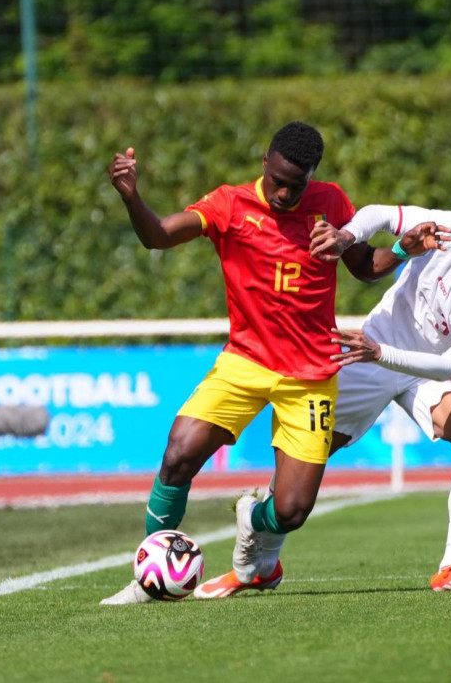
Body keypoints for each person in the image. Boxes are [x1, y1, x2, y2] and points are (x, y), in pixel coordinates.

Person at [99, 122, 409, 604]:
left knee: (290, 511)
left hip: (310, 375)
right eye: (279, 179)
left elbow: (365, 269)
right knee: (179, 453)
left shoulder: (331, 201)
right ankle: (146, 577)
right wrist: (131, 197)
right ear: (265, 162)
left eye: (297, 184)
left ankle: (252, 516)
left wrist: (404, 248)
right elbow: (158, 236)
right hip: (244, 362)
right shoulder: (229, 204)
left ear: (312, 176)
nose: (286, 192)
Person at [201, 195, 451, 594]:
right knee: (303, 468)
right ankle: (262, 557)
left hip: (424, 368)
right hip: (374, 349)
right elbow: (380, 215)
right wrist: (345, 236)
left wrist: (382, 354)